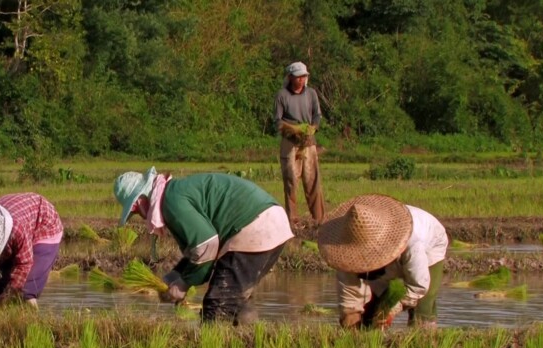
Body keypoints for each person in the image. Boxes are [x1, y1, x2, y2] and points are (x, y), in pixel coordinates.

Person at [114, 167, 294, 325]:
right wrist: (175, 275)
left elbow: (206, 244)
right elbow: (197, 250)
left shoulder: (171, 202)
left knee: (217, 307)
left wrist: (184, 284)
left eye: (135, 212)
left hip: (256, 226)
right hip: (271, 223)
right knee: (234, 299)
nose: (141, 217)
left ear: (139, 202)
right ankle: (248, 344)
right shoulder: (173, 193)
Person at [316, 194, 448, 329]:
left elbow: (418, 286)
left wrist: (391, 310)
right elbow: (350, 298)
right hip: (388, 251)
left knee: (422, 307)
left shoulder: (413, 245)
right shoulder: (345, 254)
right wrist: (351, 322)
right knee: (372, 312)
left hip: (432, 241)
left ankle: (425, 339)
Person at [274, 61, 325, 226]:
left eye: (304, 77)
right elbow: (278, 122)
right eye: (298, 77)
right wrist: (293, 129)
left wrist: (313, 128)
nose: (301, 80)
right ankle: (292, 221)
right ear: (290, 77)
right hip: (290, 144)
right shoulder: (282, 95)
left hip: (308, 142)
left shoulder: (311, 94)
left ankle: (319, 220)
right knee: (291, 182)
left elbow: (317, 115)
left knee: (313, 181)